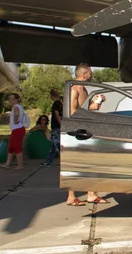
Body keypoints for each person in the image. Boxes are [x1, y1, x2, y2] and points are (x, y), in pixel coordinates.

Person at [67, 63, 108, 206]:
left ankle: (91, 194)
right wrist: (91, 106)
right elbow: (72, 112)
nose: (92, 74)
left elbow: (87, 107)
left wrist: (96, 102)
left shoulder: (84, 89)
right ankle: (71, 197)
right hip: (76, 132)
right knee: (74, 164)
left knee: (90, 163)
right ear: (84, 74)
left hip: (87, 130)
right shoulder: (74, 90)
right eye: (90, 72)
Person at [1, 93, 26, 170]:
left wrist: (15, 120)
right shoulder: (19, 106)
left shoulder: (15, 106)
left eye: (11, 98)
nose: (10, 100)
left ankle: (20, 165)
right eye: (9, 98)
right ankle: (7, 164)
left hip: (17, 129)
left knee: (16, 147)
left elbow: (16, 114)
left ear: (15, 99)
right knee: (11, 147)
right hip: (16, 129)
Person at [42, 89, 63, 167]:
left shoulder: (55, 104)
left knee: (56, 145)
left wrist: (60, 124)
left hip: (56, 126)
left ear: (51, 96)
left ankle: (62, 162)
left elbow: (57, 115)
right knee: (53, 146)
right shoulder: (60, 103)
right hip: (57, 126)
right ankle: (48, 161)